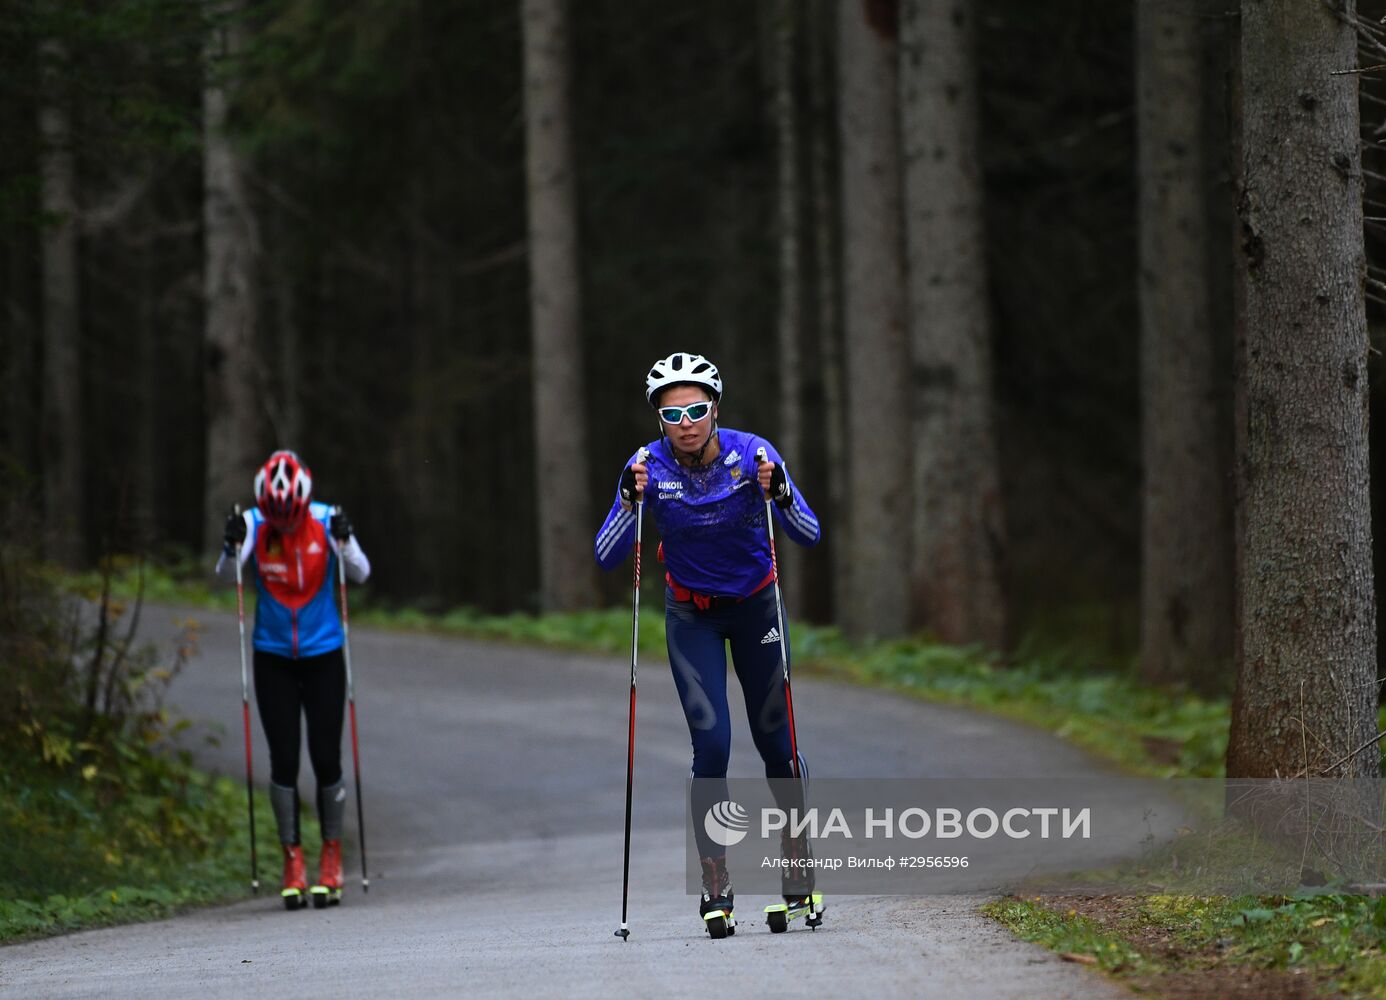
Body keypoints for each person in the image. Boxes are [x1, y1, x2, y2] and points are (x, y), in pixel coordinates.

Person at [594, 352, 823, 935]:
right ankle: (715, 882)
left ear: (715, 409)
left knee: (776, 742)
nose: (687, 421)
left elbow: (809, 533)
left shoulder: (754, 455)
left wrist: (781, 494)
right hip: (691, 616)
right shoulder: (646, 466)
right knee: (712, 745)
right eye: (674, 414)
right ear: (659, 420)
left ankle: (798, 873)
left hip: (756, 609)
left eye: (697, 409)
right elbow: (606, 555)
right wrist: (626, 500)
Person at [217, 450, 370, 908]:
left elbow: (362, 572)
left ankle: (330, 856)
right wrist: (230, 547)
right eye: (275, 519)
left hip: (323, 654)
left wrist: (345, 544)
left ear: (304, 505)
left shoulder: (326, 520)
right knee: (283, 759)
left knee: (326, 756)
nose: (283, 527)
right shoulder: (254, 522)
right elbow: (226, 578)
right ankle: (292, 860)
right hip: (273, 657)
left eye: (291, 519)